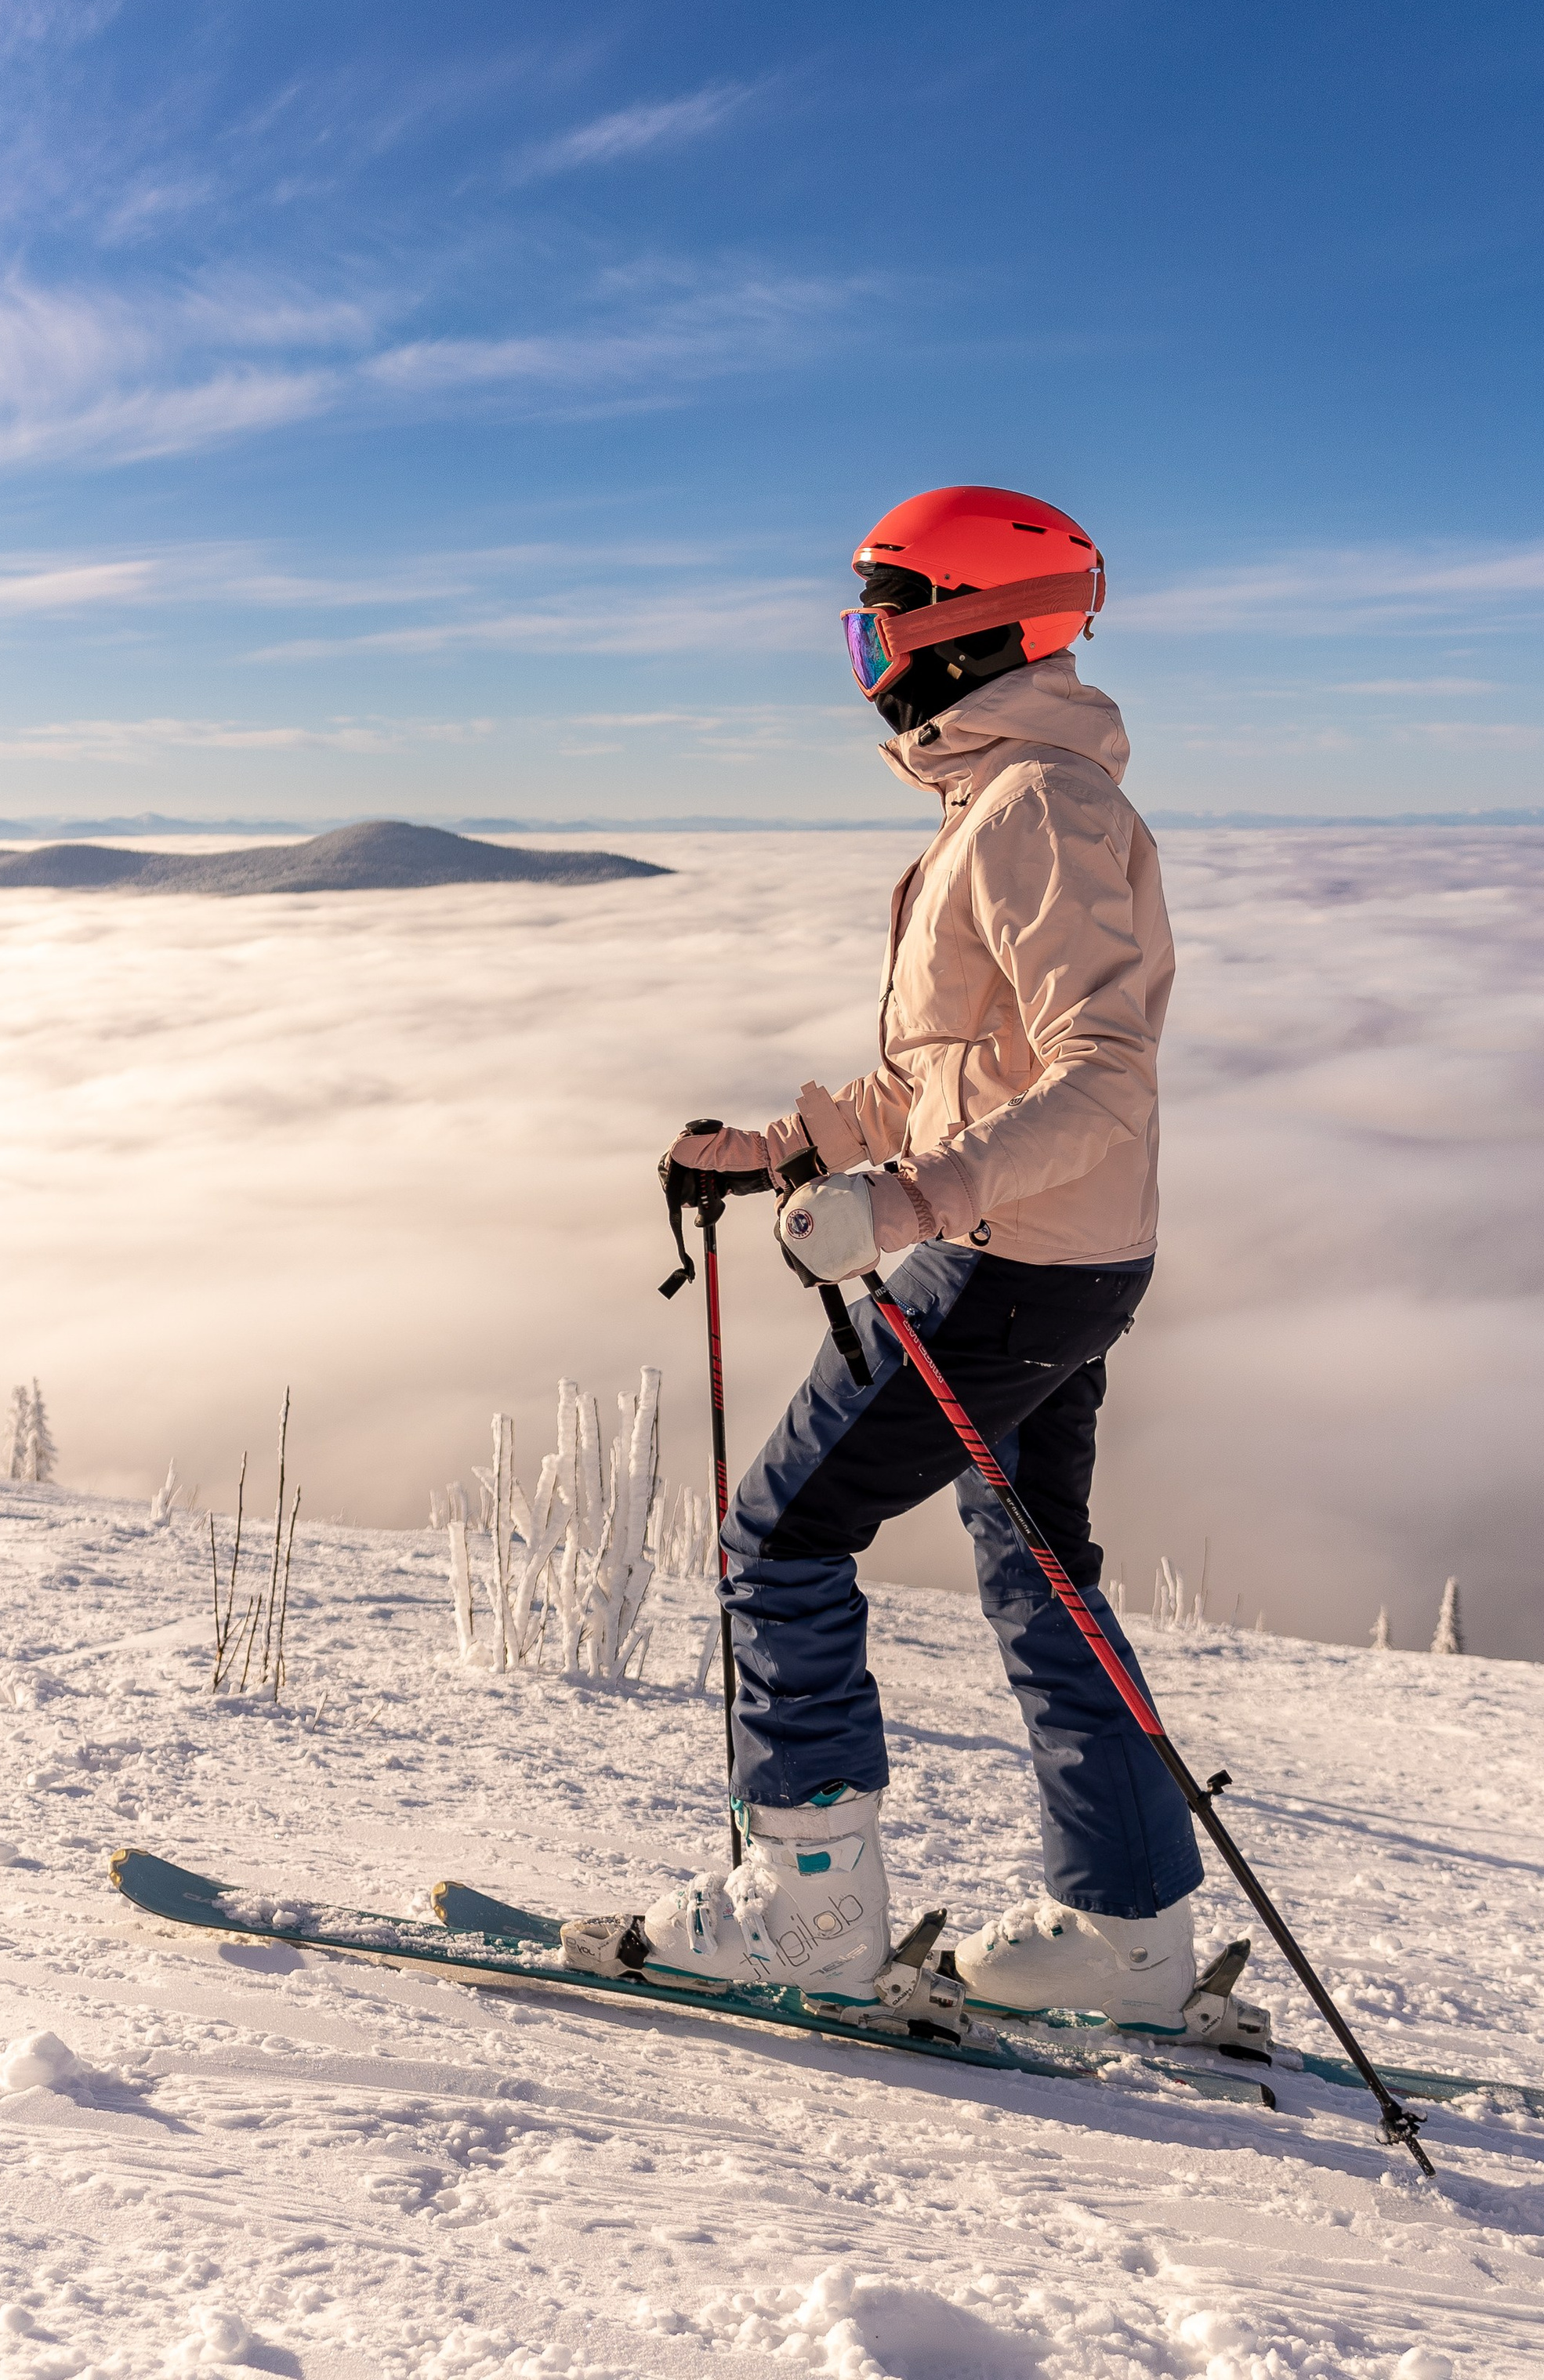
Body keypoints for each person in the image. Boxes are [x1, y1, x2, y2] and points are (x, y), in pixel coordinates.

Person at [571, 484, 1212, 2033]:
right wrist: (783, 1151)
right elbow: (951, 1077)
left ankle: (804, 1915)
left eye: (874, 627)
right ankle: (1124, 1938)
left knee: (777, 1538)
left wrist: (913, 1202)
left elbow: (1101, 1078)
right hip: (1065, 1256)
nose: (861, 660)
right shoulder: (1004, 804)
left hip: (1006, 1260)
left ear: (966, 627)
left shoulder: (1034, 809)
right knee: (1038, 1570)